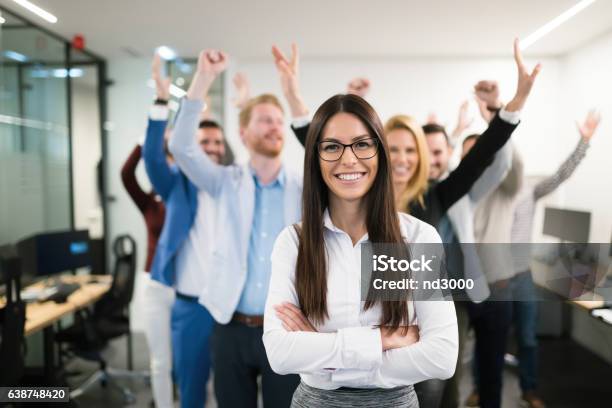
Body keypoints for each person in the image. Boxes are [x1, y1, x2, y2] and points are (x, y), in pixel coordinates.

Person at [263, 93, 458, 408]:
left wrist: (324, 357)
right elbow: (280, 353)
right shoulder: (293, 242)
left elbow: (442, 357)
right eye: (332, 147)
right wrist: (381, 341)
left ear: (380, 153)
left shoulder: (420, 237)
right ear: (315, 157)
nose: (348, 159)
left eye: (362, 144)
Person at [168, 49, 302, 407]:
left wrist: (291, 93)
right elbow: (181, 147)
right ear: (243, 133)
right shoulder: (225, 182)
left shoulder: (304, 188)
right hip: (229, 326)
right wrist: (204, 79)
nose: (274, 125)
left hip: (286, 329)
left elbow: (323, 150)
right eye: (264, 120)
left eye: (278, 120)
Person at [465, 109, 601, 408]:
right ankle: (480, 388)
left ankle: (529, 390)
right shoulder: (479, 192)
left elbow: (562, 174)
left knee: (527, 338)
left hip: (522, 276)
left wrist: (584, 142)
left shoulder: (528, 188)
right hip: (491, 280)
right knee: (486, 343)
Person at [143, 54, 231, 408]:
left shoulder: (233, 186)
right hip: (190, 306)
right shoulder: (175, 183)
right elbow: (152, 157)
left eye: (216, 144)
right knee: (191, 389)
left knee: (230, 390)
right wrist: (163, 102)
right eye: (203, 143)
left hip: (228, 308)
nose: (211, 149)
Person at [120, 60, 172, 405]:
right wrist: (147, 137)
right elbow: (126, 174)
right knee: (159, 360)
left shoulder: (188, 199)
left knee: (185, 359)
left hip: (184, 285)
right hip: (153, 284)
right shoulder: (149, 202)